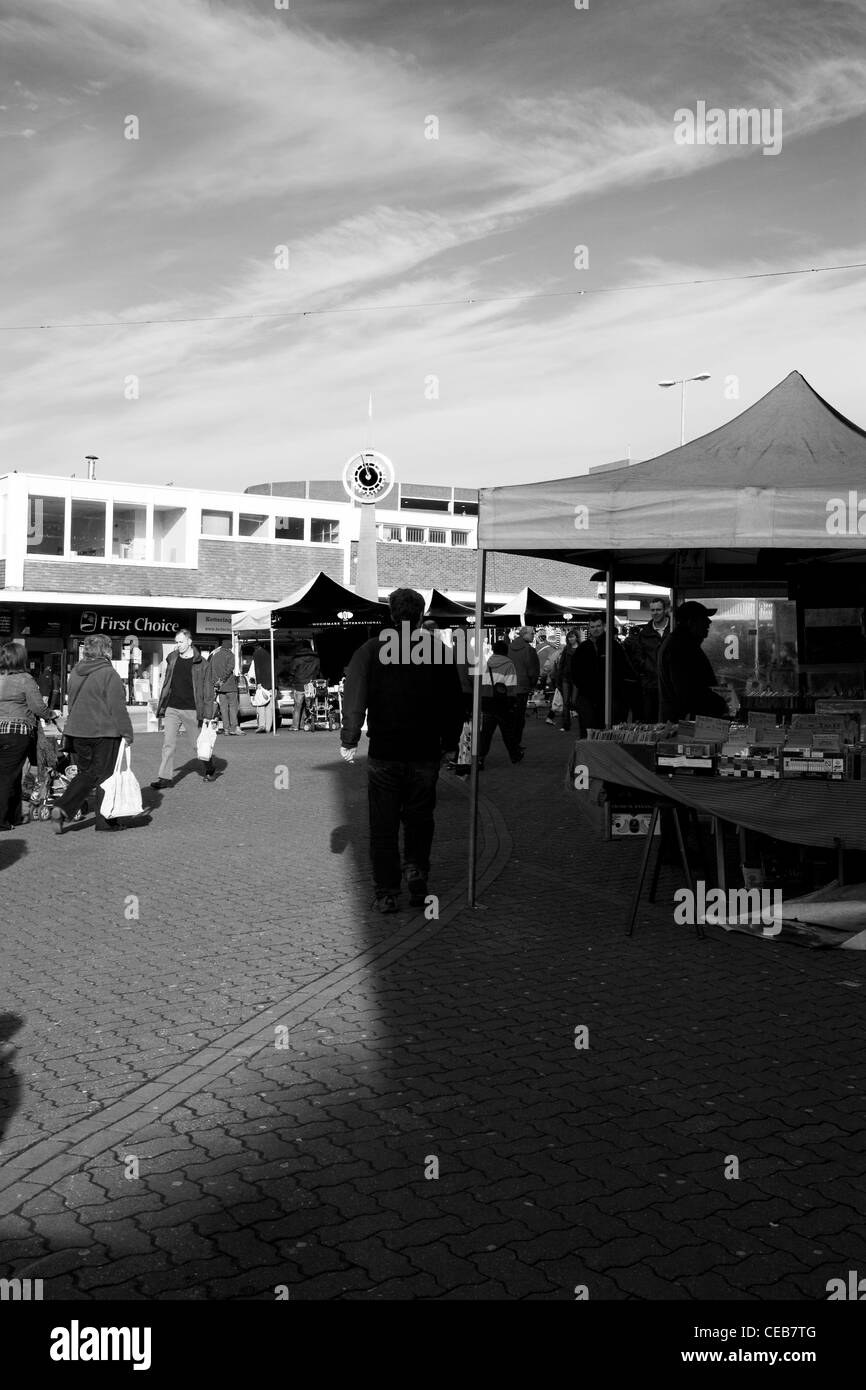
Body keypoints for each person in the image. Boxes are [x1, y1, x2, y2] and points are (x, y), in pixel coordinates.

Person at [340, 587, 464, 914]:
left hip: (385, 751)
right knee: (420, 819)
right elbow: (454, 703)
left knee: (383, 825)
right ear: (421, 615)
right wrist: (451, 744)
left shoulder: (371, 649)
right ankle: (416, 871)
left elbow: (354, 697)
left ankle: (387, 892)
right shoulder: (437, 650)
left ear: (392, 614)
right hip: (425, 751)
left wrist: (350, 739)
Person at [52, 633, 134, 833]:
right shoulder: (109, 673)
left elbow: (71, 703)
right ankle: (104, 821)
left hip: (78, 731)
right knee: (106, 776)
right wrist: (127, 733)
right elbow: (117, 708)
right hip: (104, 732)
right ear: (106, 651)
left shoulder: (77, 672)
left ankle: (63, 807)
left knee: (86, 773)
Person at [151, 629, 216, 789]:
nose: (178, 645)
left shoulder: (202, 663)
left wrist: (208, 714)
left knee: (197, 745)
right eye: (176, 642)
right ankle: (165, 778)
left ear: (189, 641)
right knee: (168, 744)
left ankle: (209, 767)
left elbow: (208, 689)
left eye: (180, 642)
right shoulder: (172, 658)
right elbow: (168, 681)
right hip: (172, 708)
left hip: (192, 709)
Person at [0, 642, 55, 831]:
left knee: (12, 775)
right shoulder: (25, 679)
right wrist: (51, 715)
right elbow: (37, 707)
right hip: (16, 733)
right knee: (7, 777)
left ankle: (13, 816)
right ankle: (1, 820)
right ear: (21, 659)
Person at [658, 601, 728, 721]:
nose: (709, 622)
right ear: (691, 622)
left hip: (684, 722)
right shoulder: (680, 648)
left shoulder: (682, 644)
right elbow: (688, 693)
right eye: (703, 618)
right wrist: (720, 704)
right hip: (685, 725)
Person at [570, 615, 635, 732]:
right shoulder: (583, 648)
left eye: (598, 626)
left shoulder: (614, 646)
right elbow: (575, 673)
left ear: (604, 626)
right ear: (589, 628)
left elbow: (624, 670)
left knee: (609, 733)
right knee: (589, 732)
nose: (595, 629)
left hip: (611, 698)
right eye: (592, 627)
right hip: (588, 698)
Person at [625, 596, 671, 721]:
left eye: (658, 610)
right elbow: (638, 658)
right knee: (650, 720)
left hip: (671, 685)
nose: (655, 613)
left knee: (670, 721)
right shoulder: (644, 634)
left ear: (665, 610)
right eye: (652, 610)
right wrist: (647, 669)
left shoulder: (673, 630)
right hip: (650, 686)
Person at [478, 639, 522, 767]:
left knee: (485, 733)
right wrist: (512, 701)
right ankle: (515, 755)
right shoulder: (509, 664)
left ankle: (480, 758)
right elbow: (511, 686)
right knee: (508, 731)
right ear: (506, 651)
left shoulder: (486, 663)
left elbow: (481, 683)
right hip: (503, 702)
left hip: (487, 701)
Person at [507, 626, 540, 746]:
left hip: (509, 685)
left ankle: (511, 740)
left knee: (511, 715)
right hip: (522, 686)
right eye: (532, 634)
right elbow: (533, 671)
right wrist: (532, 683)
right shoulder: (529, 650)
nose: (533, 635)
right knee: (519, 717)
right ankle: (516, 742)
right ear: (524, 634)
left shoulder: (509, 648)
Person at [546, 627, 580, 731]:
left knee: (573, 701)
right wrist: (559, 677)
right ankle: (566, 725)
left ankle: (579, 719)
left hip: (576, 679)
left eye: (572, 637)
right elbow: (561, 664)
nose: (570, 639)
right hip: (565, 678)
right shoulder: (566, 649)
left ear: (576, 637)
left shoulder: (581, 648)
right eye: (569, 637)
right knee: (565, 702)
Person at [288, 639, 322, 732]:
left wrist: (292, 680)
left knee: (297, 706)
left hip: (299, 685)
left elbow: (292, 671)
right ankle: (305, 724)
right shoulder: (316, 658)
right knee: (309, 706)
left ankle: (295, 726)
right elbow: (318, 671)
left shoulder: (297, 658)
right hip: (310, 685)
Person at [210, 637, 242, 736]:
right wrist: (222, 679)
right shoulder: (230, 655)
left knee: (223, 708)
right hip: (230, 685)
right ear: (229, 647)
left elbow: (211, 670)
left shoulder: (215, 656)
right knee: (233, 707)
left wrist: (217, 682)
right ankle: (234, 728)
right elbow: (230, 668)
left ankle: (226, 729)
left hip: (220, 687)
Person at [248, 643, 274, 733]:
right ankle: (268, 728)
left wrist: (258, 682)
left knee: (261, 705)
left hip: (263, 683)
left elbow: (257, 669)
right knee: (269, 707)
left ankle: (262, 725)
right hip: (273, 683)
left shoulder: (257, 654)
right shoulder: (271, 653)